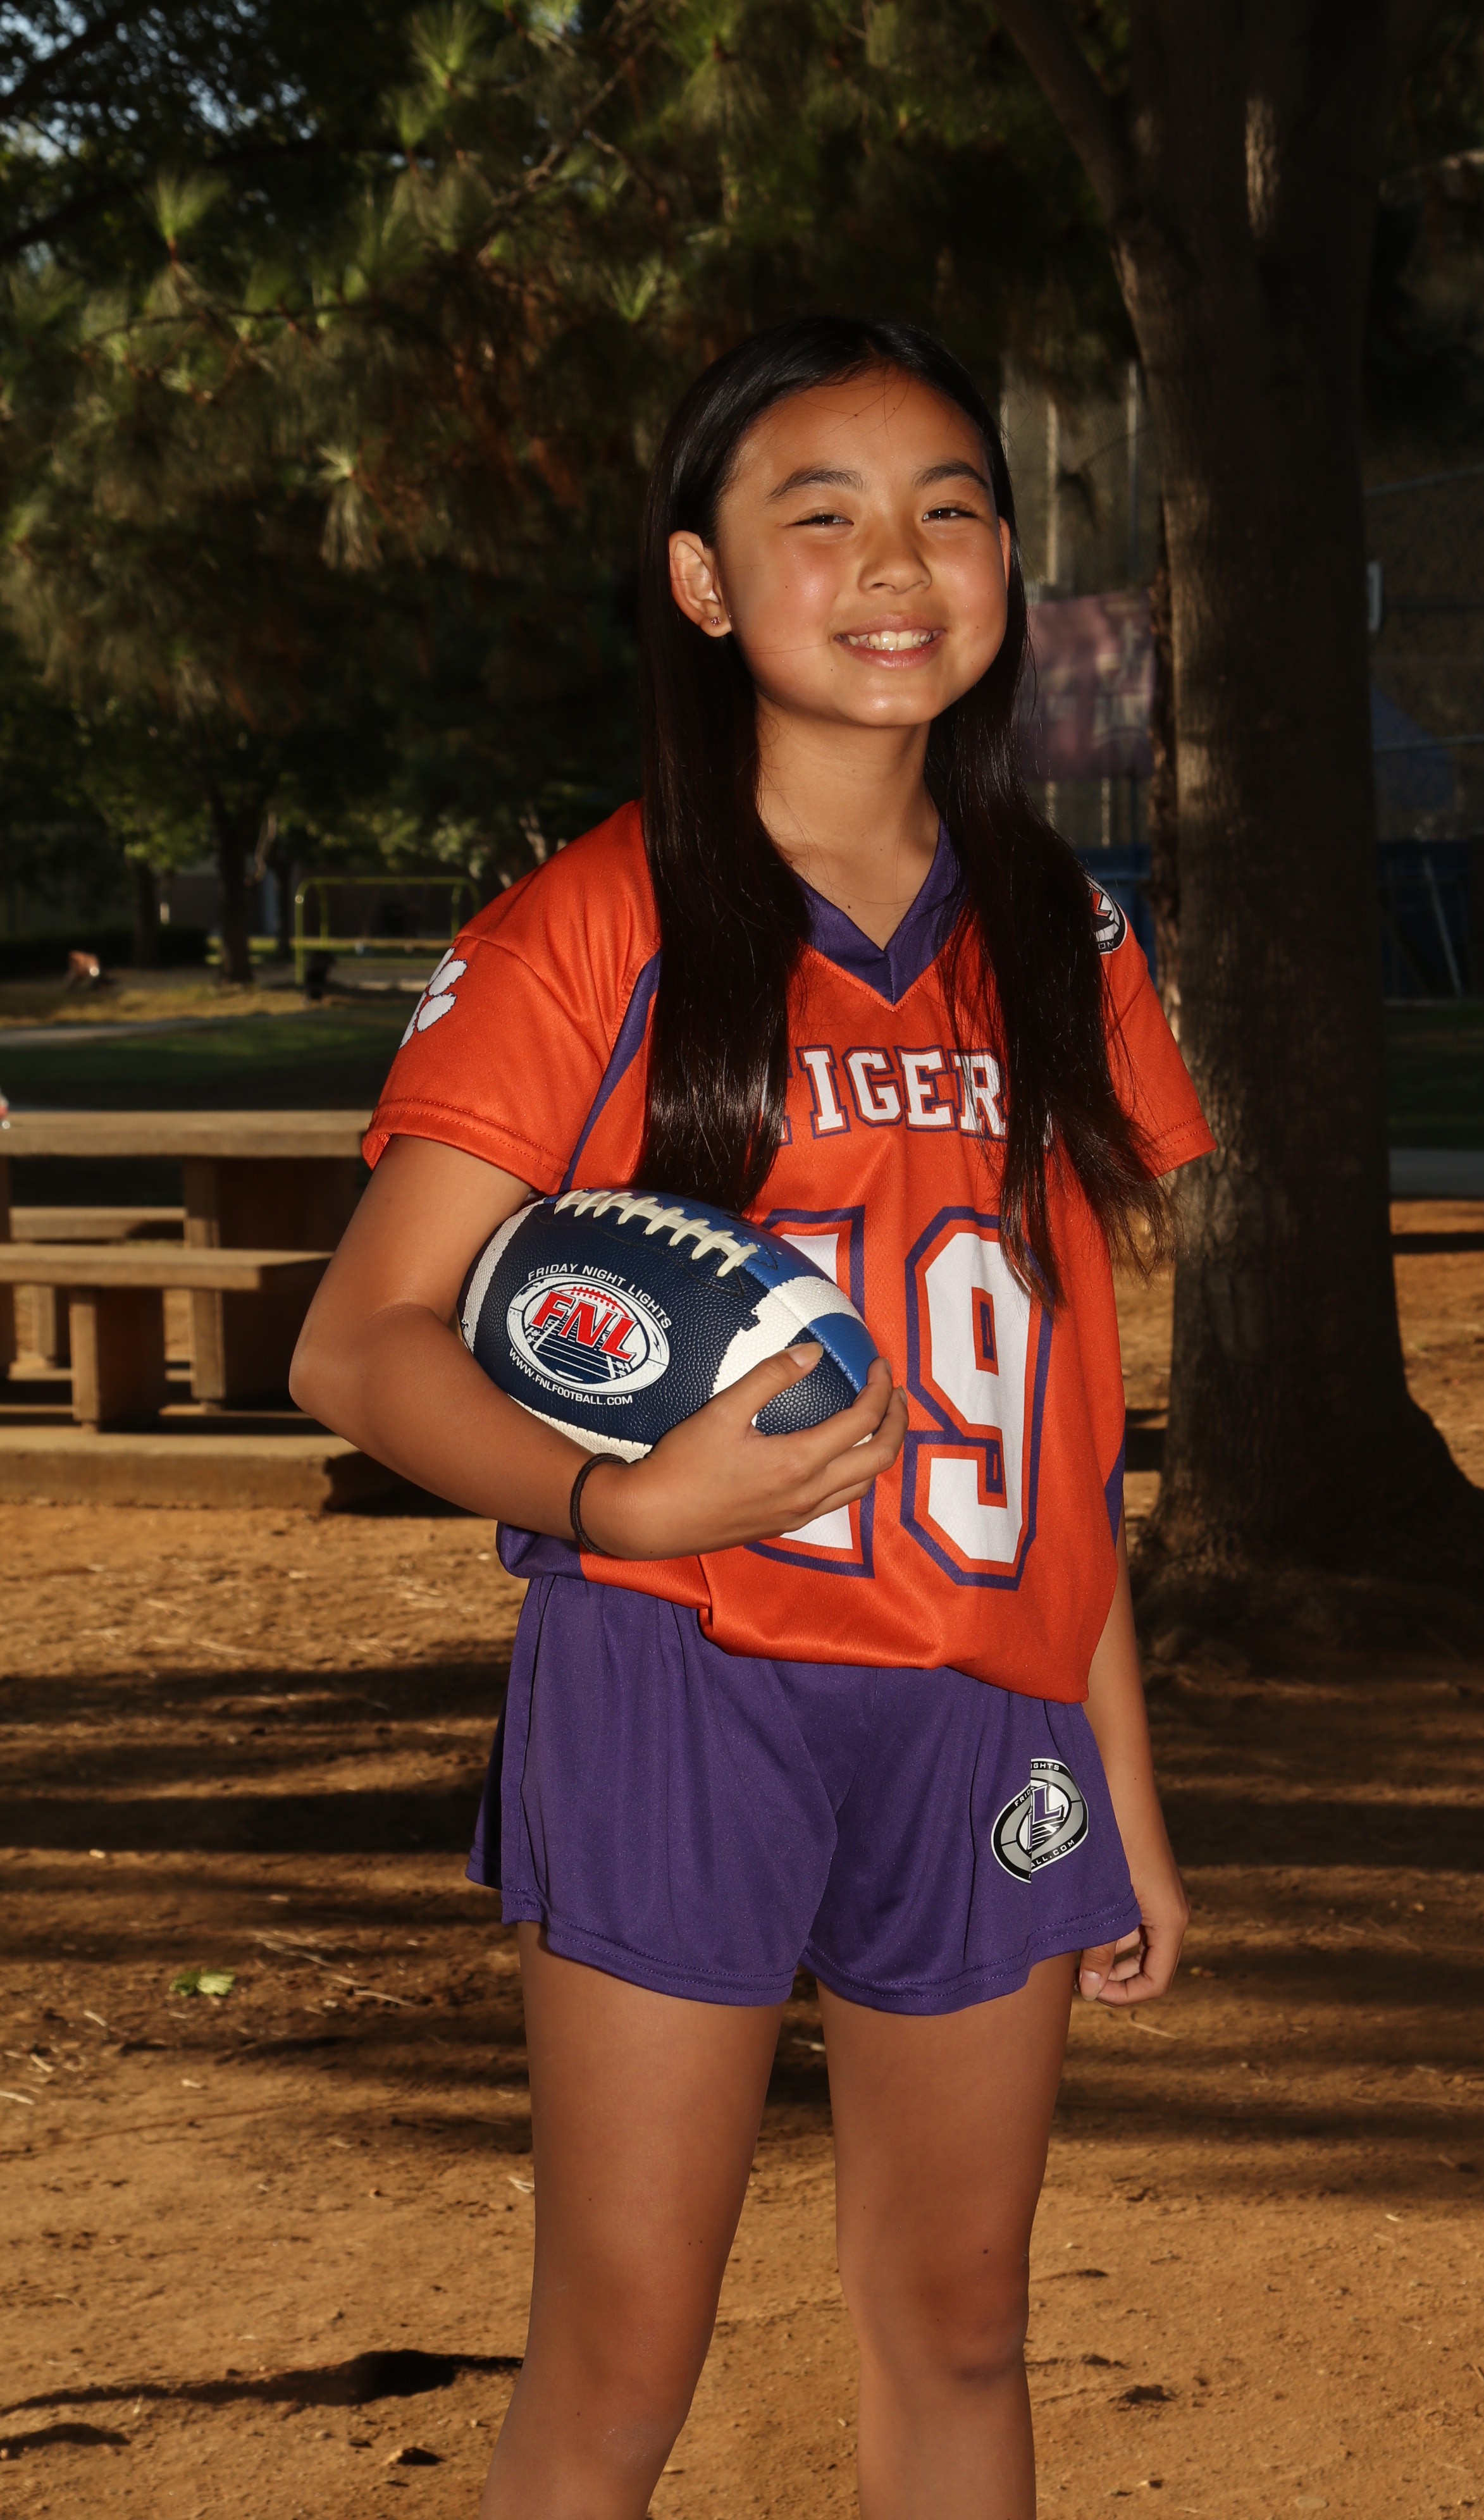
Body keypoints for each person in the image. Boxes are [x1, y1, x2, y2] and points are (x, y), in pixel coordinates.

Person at [292, 315, 1214, 2520]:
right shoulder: (588, 925)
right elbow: (362, 1344)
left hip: (986, 1699)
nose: (898, 563)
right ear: (703, 582)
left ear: (1009, 563)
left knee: (961, 2322)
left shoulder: (1062, 931)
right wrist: (614, 1499)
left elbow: (1064, 1416)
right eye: (824, 516)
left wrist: (1124, 1777)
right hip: (678, 1674)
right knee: (623, 2356)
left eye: (952, 508)